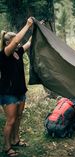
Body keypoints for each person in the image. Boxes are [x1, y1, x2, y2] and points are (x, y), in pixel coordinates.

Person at [0, 17, 33, 156]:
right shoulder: (4, 54)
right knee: (11, 120)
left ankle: (15, 140)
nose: (18, 44)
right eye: (15, 42)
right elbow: (18, 40)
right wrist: (27, 25)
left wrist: (36, 29)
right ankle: (6, 146)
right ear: (8, 42)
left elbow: (29, 43)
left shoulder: (18, 53)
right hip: (8, 93)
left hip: (20, 91)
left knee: (18, 117)